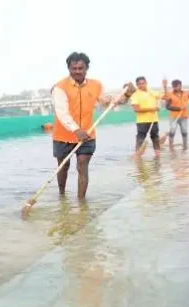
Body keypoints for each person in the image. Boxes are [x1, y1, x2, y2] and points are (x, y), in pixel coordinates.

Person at [50, 52, 132, 199]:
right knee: (63, 167)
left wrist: (126, 96)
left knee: (83, 166)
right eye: (73, 68)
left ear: (86, 68)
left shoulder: (96, 85)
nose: (77, 71)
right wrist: (76, 130)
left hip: (87, 134)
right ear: (68, 68)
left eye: (80, 68)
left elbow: (108, 102)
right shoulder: (60, 87)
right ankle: (62, 197)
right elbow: (62, 113)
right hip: (63, 135)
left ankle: (82, 204)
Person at [162, 79, 189, 150]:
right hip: (174, 116)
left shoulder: (186, 93)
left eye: (179, 86)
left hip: (184, 116)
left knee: (184, 131)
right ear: (173, 87)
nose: (177, 87)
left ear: (181, 86)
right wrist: (179, 108)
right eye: (175, 86)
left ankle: (185, 146)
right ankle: (170, 146)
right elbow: (167, 107)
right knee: (173, 130)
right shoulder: (170, 95)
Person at [130, 76, 163, 157]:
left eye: (143, 83)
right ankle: (138, 156)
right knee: (140, 139)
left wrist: (165, 86)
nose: (142, 85)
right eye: (139, 84)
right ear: (137, 85)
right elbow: (136, 109)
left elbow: (163, 96)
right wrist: (152, 108)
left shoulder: (151, 91)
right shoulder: (135, 95)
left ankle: (157, 156)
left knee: (155, 138)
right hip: (142, 122)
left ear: (146, 83)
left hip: (153, 120)